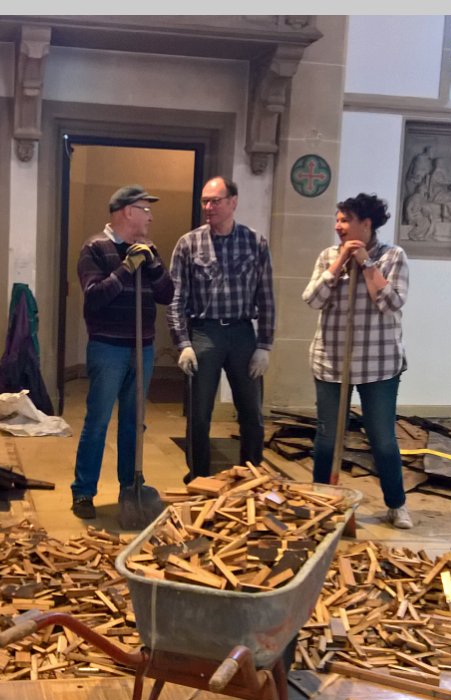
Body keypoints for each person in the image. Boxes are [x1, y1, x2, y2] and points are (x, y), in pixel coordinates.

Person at [301, 193, 413, 530]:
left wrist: (366, 264)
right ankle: (320, 502)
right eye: (337, 220)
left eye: (345, 220)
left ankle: (396, 504)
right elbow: (312, 299)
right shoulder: (328, 256)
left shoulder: (393, 256)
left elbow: (391, 302)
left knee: (382, 438)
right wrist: (338, 265)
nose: (338, 226)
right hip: (332, 361)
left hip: (378, 363)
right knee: (327, 438)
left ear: (366, 224)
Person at [70, 185, 174, 519]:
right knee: (98, 421)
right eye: (145, 209)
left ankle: (130, 487)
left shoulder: (148, 249)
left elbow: (167, 295)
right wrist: (126, 268)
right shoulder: (95, 248)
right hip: (108, 349)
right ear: (128, 211)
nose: (150, 216)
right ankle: (83, 492)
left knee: (134, 423)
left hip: (142, 348)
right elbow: (95, 297)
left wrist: (153, 264)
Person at [168, 176, 275, 482]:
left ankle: (250, 477)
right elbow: (176, 298)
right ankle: (199, 477)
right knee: (199, 414)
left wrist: (264, 345)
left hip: (242, 333)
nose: (208, 207)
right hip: (205, 332)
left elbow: (266, 296)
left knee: (251, 413)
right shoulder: (189, 244)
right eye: (205, 201)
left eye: (215, 201)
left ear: (233, 202)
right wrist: (183, 343)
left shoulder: (255, 242)